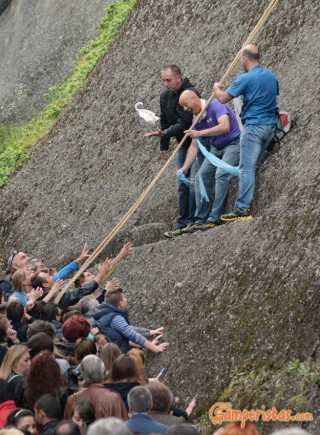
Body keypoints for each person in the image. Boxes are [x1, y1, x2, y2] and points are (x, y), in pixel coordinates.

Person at [213, 44, 279, 221]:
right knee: (250, 166)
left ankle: (242, 208)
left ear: (244, 59)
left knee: (246, 168)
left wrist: (216, 88)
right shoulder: (271, 76)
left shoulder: (245, 78)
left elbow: (223, 99)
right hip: (269, 128)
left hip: (253, 129)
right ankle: (244, 204)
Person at [145, 65, 206, 235]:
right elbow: (164, 121)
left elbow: (186, 122)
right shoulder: (164, 96)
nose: (165, 84)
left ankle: (194, 219)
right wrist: (163, 144)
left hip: (195, 142)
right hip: (182, 143)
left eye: (168, 80)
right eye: (163, 80)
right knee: (182, 183)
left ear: (179, 77)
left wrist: (165, 133)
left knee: (193, 181)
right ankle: (183, 221)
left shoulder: (190, 93)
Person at [178, 90, 240, 232]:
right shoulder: (196, 119)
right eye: (183, 107)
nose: (186, 109)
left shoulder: (216, 104)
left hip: (233, 144)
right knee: (201, 176)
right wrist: (185, 167)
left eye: (186, 105)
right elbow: (194, 146)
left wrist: (200, 133)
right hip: (216, 149)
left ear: (194, 98)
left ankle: (215, 217)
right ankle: (200, 218)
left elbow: (225, 126)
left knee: (221, 175)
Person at [92, 288, 168, 354]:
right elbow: (133, 336)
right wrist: (155, 348)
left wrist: (149, 345)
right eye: (124, 298)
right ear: (121, 303)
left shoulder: (105, 314)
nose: (126, 300)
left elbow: (124, 339)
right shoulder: (115, 318)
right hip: (118, 358)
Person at [64, 355, 127, 420]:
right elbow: (123, 426)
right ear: (104, 372)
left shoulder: (72, 400)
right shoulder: (114, 398)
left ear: (82, 374)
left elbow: (68, 427)